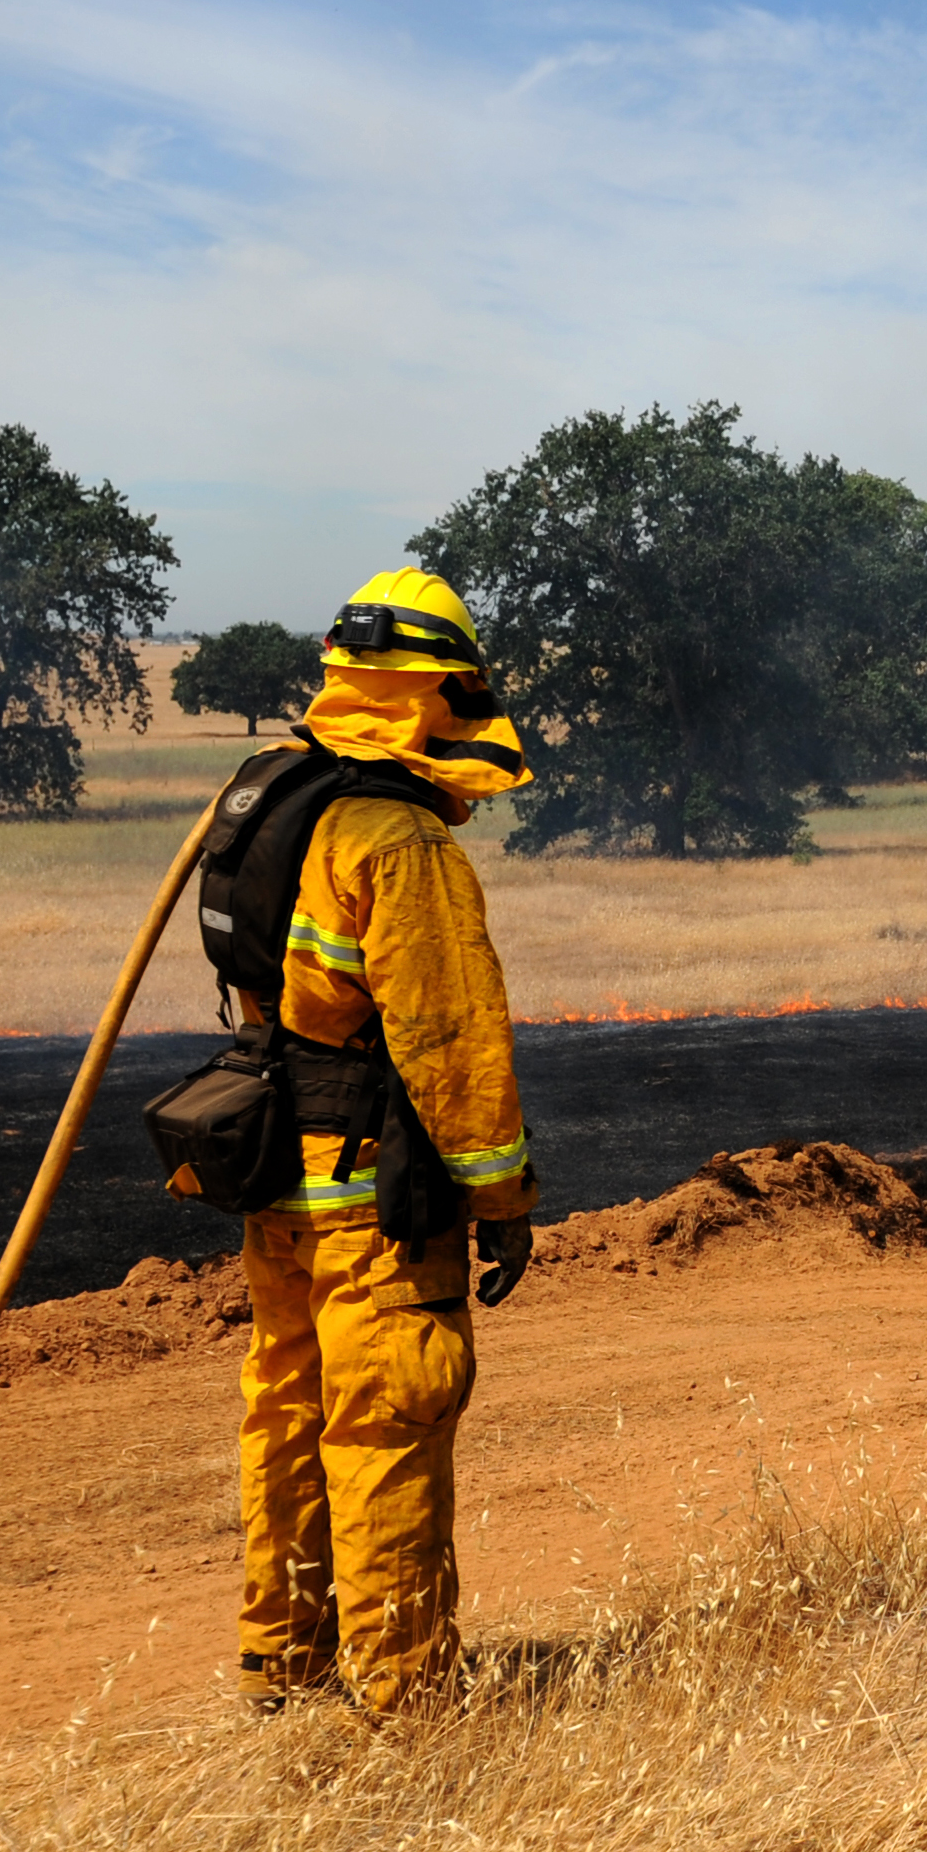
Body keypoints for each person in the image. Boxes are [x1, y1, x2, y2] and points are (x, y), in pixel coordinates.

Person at [231, 568, 539, 1716]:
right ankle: (405, 1701)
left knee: (290, 1410)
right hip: (370, 1194)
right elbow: (450, 1041)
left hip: (279, 1175)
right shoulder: (395, 838)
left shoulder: (274, 795)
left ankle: (286, 1662)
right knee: (388, 1421)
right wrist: (501, 1202)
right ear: (431, 692)